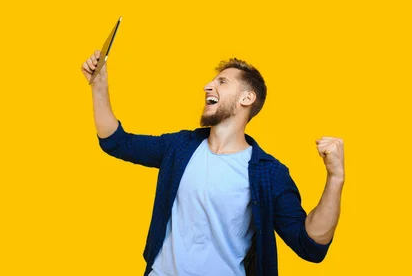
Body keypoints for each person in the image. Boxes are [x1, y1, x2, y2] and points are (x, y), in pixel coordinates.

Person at [81, 50, 344, 276]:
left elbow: (310, 245)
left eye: (222, 82)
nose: (208, 86)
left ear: (247, 98)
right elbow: (116, 142)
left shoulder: (269, 173)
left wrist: (335, 178)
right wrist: (99, 85)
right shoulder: (180, 147)